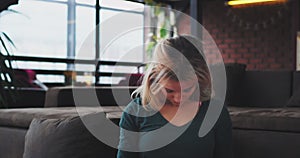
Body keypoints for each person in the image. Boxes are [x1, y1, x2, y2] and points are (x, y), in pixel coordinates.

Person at [117, 35, 233, 158]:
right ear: (154, 79)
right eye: (170, 90)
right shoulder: (135, 112)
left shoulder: (215, 112)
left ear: (200, 81)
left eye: (187, 89)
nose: (178, 98)